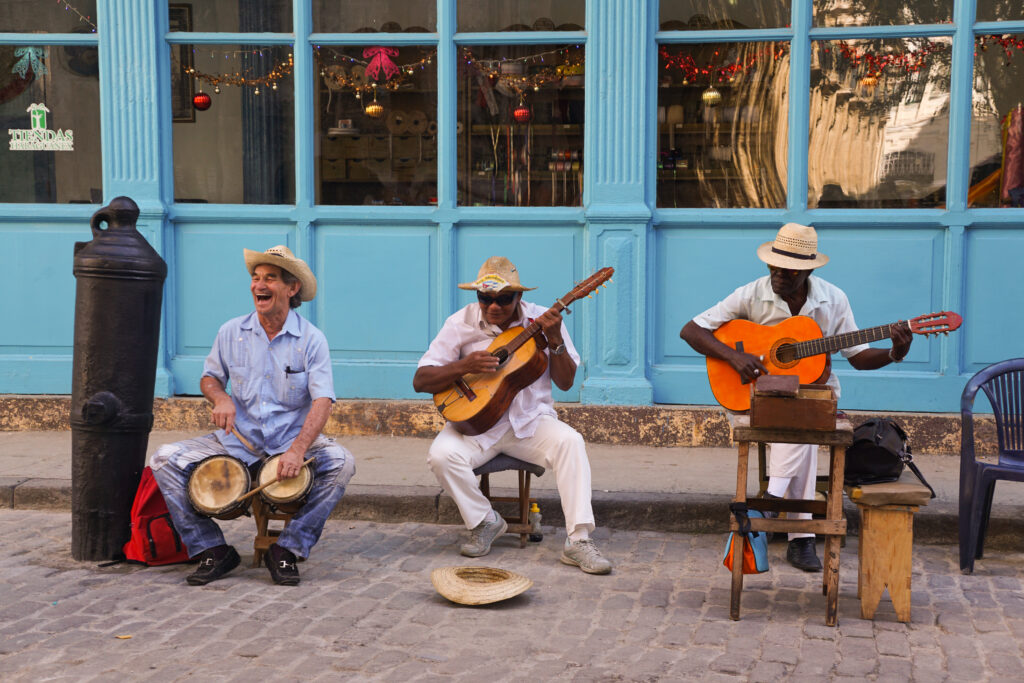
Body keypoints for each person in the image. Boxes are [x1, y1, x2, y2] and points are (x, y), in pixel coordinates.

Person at [679, 223, 912, 572]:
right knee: (802, 420)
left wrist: (894, 353)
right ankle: (800, 537)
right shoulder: (751, 293)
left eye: (787, 269)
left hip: (813, 397)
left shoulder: (833, 299)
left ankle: (771, 504)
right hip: (754, 395)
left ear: (806, 270)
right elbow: (691, 330)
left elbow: (859, 358)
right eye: (773, 265)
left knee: (807, 410)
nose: (777, 274)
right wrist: (735, 357)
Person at [151, 246, 355, 586]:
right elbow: (210, 377)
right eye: (256, 278)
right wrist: (219, 398)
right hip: (236, 443)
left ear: (291, 289)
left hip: (289, 444)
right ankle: (212, 548)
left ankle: (288, 548)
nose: (259, 285)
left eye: (270, 278)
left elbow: (323, 402)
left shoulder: (311, 340)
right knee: (163, 460)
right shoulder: (231, 331)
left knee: (342, 463)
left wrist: (298, 450)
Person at [413, 256, 612, 574]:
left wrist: (556, 339)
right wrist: (464, 366)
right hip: (477, 426)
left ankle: (579, 541)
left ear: (519, 297)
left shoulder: (543, 320)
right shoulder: (459, 323)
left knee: (571, 442)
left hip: (530, 422)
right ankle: (485, 521)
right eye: (485, 298)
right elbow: (420, 380)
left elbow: (565, 382)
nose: (493, 306)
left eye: (503, 299)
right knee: (440, 455)